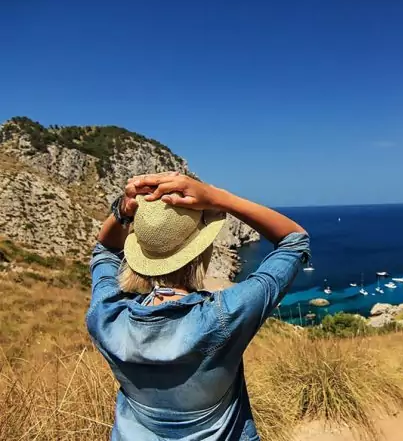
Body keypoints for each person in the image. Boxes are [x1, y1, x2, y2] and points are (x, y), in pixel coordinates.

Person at [86, 171, 310, 441]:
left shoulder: (107, 316)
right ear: (201, 250)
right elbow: (294, 241)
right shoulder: (223, 316)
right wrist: (219, 198)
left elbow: (105, 250)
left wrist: (123, 209)